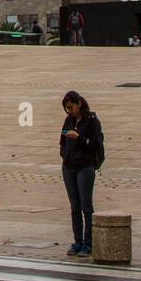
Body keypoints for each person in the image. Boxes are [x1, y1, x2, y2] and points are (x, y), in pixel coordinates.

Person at [59, 90, 104, 256]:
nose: (69, 111)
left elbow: (95, 145)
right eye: (66, 108)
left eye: (71, 107)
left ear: (79, 104)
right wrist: (65, 155)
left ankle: (88, 243)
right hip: (68, 166)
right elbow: (62, 142)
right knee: (74, 206)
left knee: (86, 206)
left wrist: (79, 138)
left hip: (85, 167)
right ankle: (77, 241)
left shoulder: (92, 121)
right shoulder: (68, 120)